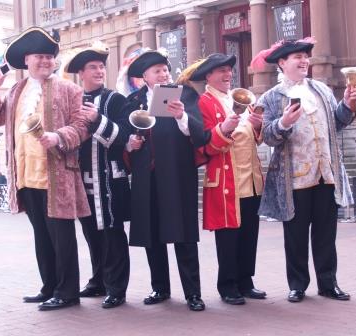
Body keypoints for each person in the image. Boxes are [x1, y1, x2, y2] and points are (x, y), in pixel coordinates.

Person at [0, 26, 96, 311]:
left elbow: (82, 127)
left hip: (57, 176)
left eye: (49, 57)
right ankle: (49, 287)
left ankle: (67, 292)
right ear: (27, 60)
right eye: (39, 57)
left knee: (62, 237)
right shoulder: (18, 89)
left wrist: (58, 137)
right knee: (41, 236)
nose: (45, 62)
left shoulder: (70, 89)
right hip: (25, 175)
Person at [251, 37, 356, 303]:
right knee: (296, 237)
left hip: (326, 174)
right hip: (294, 180)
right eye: (297, 57)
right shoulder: (271, 97)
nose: (304, 61)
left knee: (326, 235)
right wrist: (284, 123)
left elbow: (337, 123)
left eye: (306, 57)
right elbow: (267, 136)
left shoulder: (321, 90)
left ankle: (328, 283)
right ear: (282, 63)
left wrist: (348, 104)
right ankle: (297, 285)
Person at [123, 50, 210, 311]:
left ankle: (193, 293)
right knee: (152, 234)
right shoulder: (133, 100)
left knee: (183, 234)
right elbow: (125, 137)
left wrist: (181, 115)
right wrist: (130, 143)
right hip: (146, 175)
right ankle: (160, 287)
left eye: (165, 69)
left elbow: (199, 132)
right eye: (157, 70)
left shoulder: (184, 95)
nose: (163, 73)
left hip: (176, 173)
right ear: (145, 77)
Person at [189, 53, 266, 305]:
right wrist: (223, 130)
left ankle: (246, 280)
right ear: (208, 76)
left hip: (250, 177)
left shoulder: (242, 99)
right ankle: (228, 284)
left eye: (229, 70)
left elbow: (255, 138)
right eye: (221, 71)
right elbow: (203, 146)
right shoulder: (204, 103)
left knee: (249, 232)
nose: (227, 75)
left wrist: (256, 125)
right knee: (228, 236)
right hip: (225, 179)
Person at [65, 45, 131, 308]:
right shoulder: (73, 100)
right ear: (81, 72)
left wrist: (96, 119)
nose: (99, 71)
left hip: (109, 181)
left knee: (113, 233)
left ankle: (117, 288)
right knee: (91, 232)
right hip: (83, 180)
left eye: (101, 67)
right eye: (93, 67)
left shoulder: (115, 100)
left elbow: (123, 137)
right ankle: (99, 280)